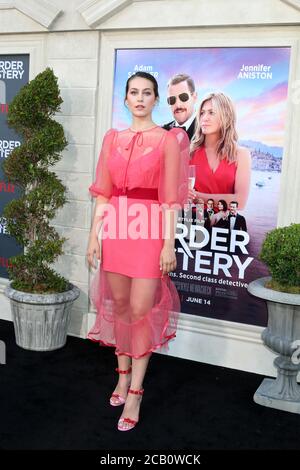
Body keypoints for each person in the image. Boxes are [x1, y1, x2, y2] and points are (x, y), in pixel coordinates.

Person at [86, 71, 189, 432]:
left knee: (142, 312)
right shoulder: (112, 138)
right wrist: (93, 237)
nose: (140, 98)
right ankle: (121, 374)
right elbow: (103, 192)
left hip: (148, 232)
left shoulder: (168, 142)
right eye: (134, 92)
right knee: (121, 307)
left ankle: (136, 392)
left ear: (155, 99)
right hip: (115, 228)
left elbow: (171, 200)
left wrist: (167, 244)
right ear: (126, 99)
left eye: (147, 93)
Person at [188, 92, 251, 210]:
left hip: (224, 226)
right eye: (202, 113)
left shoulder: (241, 155)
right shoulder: (189, 153)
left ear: (226, 116)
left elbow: (240, 202)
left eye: (211, 112)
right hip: (191, 224)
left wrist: (197, 197)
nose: (204, 118)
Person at [162, 73, 198, 141]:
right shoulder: (161, 133)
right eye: (172, 100)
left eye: (183, 97)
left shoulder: (208, 131)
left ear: (194, 97)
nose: (178, 105)